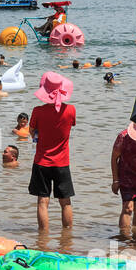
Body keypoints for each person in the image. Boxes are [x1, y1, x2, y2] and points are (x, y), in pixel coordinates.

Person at [28, 71, 76, 230]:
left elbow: (32, 132)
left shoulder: (37, 111)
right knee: (65, 202)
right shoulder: (71, 110)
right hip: (62, 162)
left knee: (42, 202)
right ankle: (67, 238)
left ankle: (43, 239)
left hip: (42, 161)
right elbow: (69, 126)